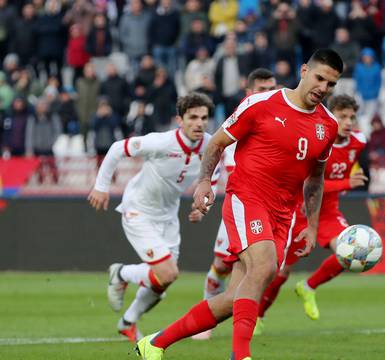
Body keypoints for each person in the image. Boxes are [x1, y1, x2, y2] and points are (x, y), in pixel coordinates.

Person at [135, 49, 343, 360]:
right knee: (264, 266)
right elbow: (217, 142)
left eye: (331, 84)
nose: (323, 88)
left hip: (284, 215)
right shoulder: (261, 104)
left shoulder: (327, 125)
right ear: (303, 71)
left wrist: (311, 225)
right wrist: (205, 181)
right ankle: (240, 356)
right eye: (320, 78)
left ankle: (155, 343)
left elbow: (315, 178)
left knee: (236, 298)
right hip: (248, 198)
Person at [87, 93, 215, 343]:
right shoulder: (161, 142)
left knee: (162, 282)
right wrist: (101, 186)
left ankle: (127, 323)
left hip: (168, 217)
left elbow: (213, 175)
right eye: (193, 117)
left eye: (204, 118)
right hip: (139, 210)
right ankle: (122, 273)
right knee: (168, 272)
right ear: (180, 120)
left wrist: (203, 206)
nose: (199, 123)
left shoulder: (211, 146)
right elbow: (117, 149)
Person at [254, 95, 367, 333]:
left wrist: (345, 183)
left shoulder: (358, 142)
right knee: (281, 271)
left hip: (329, 212)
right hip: (301, 212)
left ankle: (308, 286)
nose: (347, 122)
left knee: (351, 253)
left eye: (352, 117)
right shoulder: (317, 141)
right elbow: (310, 183)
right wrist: (346, 183)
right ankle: (258, 315)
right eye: (342, 116)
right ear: (330, 116)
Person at [191, 68, 277, 341]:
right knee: (220, 266)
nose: (269, 94)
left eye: (272, 89)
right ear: (249, 92)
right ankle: (206, 321)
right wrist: (204, 192)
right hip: (240, 204)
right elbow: (215, 156)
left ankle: (240, 325)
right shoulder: (238, 122)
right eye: (263, 89)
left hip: (268, 208)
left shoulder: (277, 123)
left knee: (259, 269)